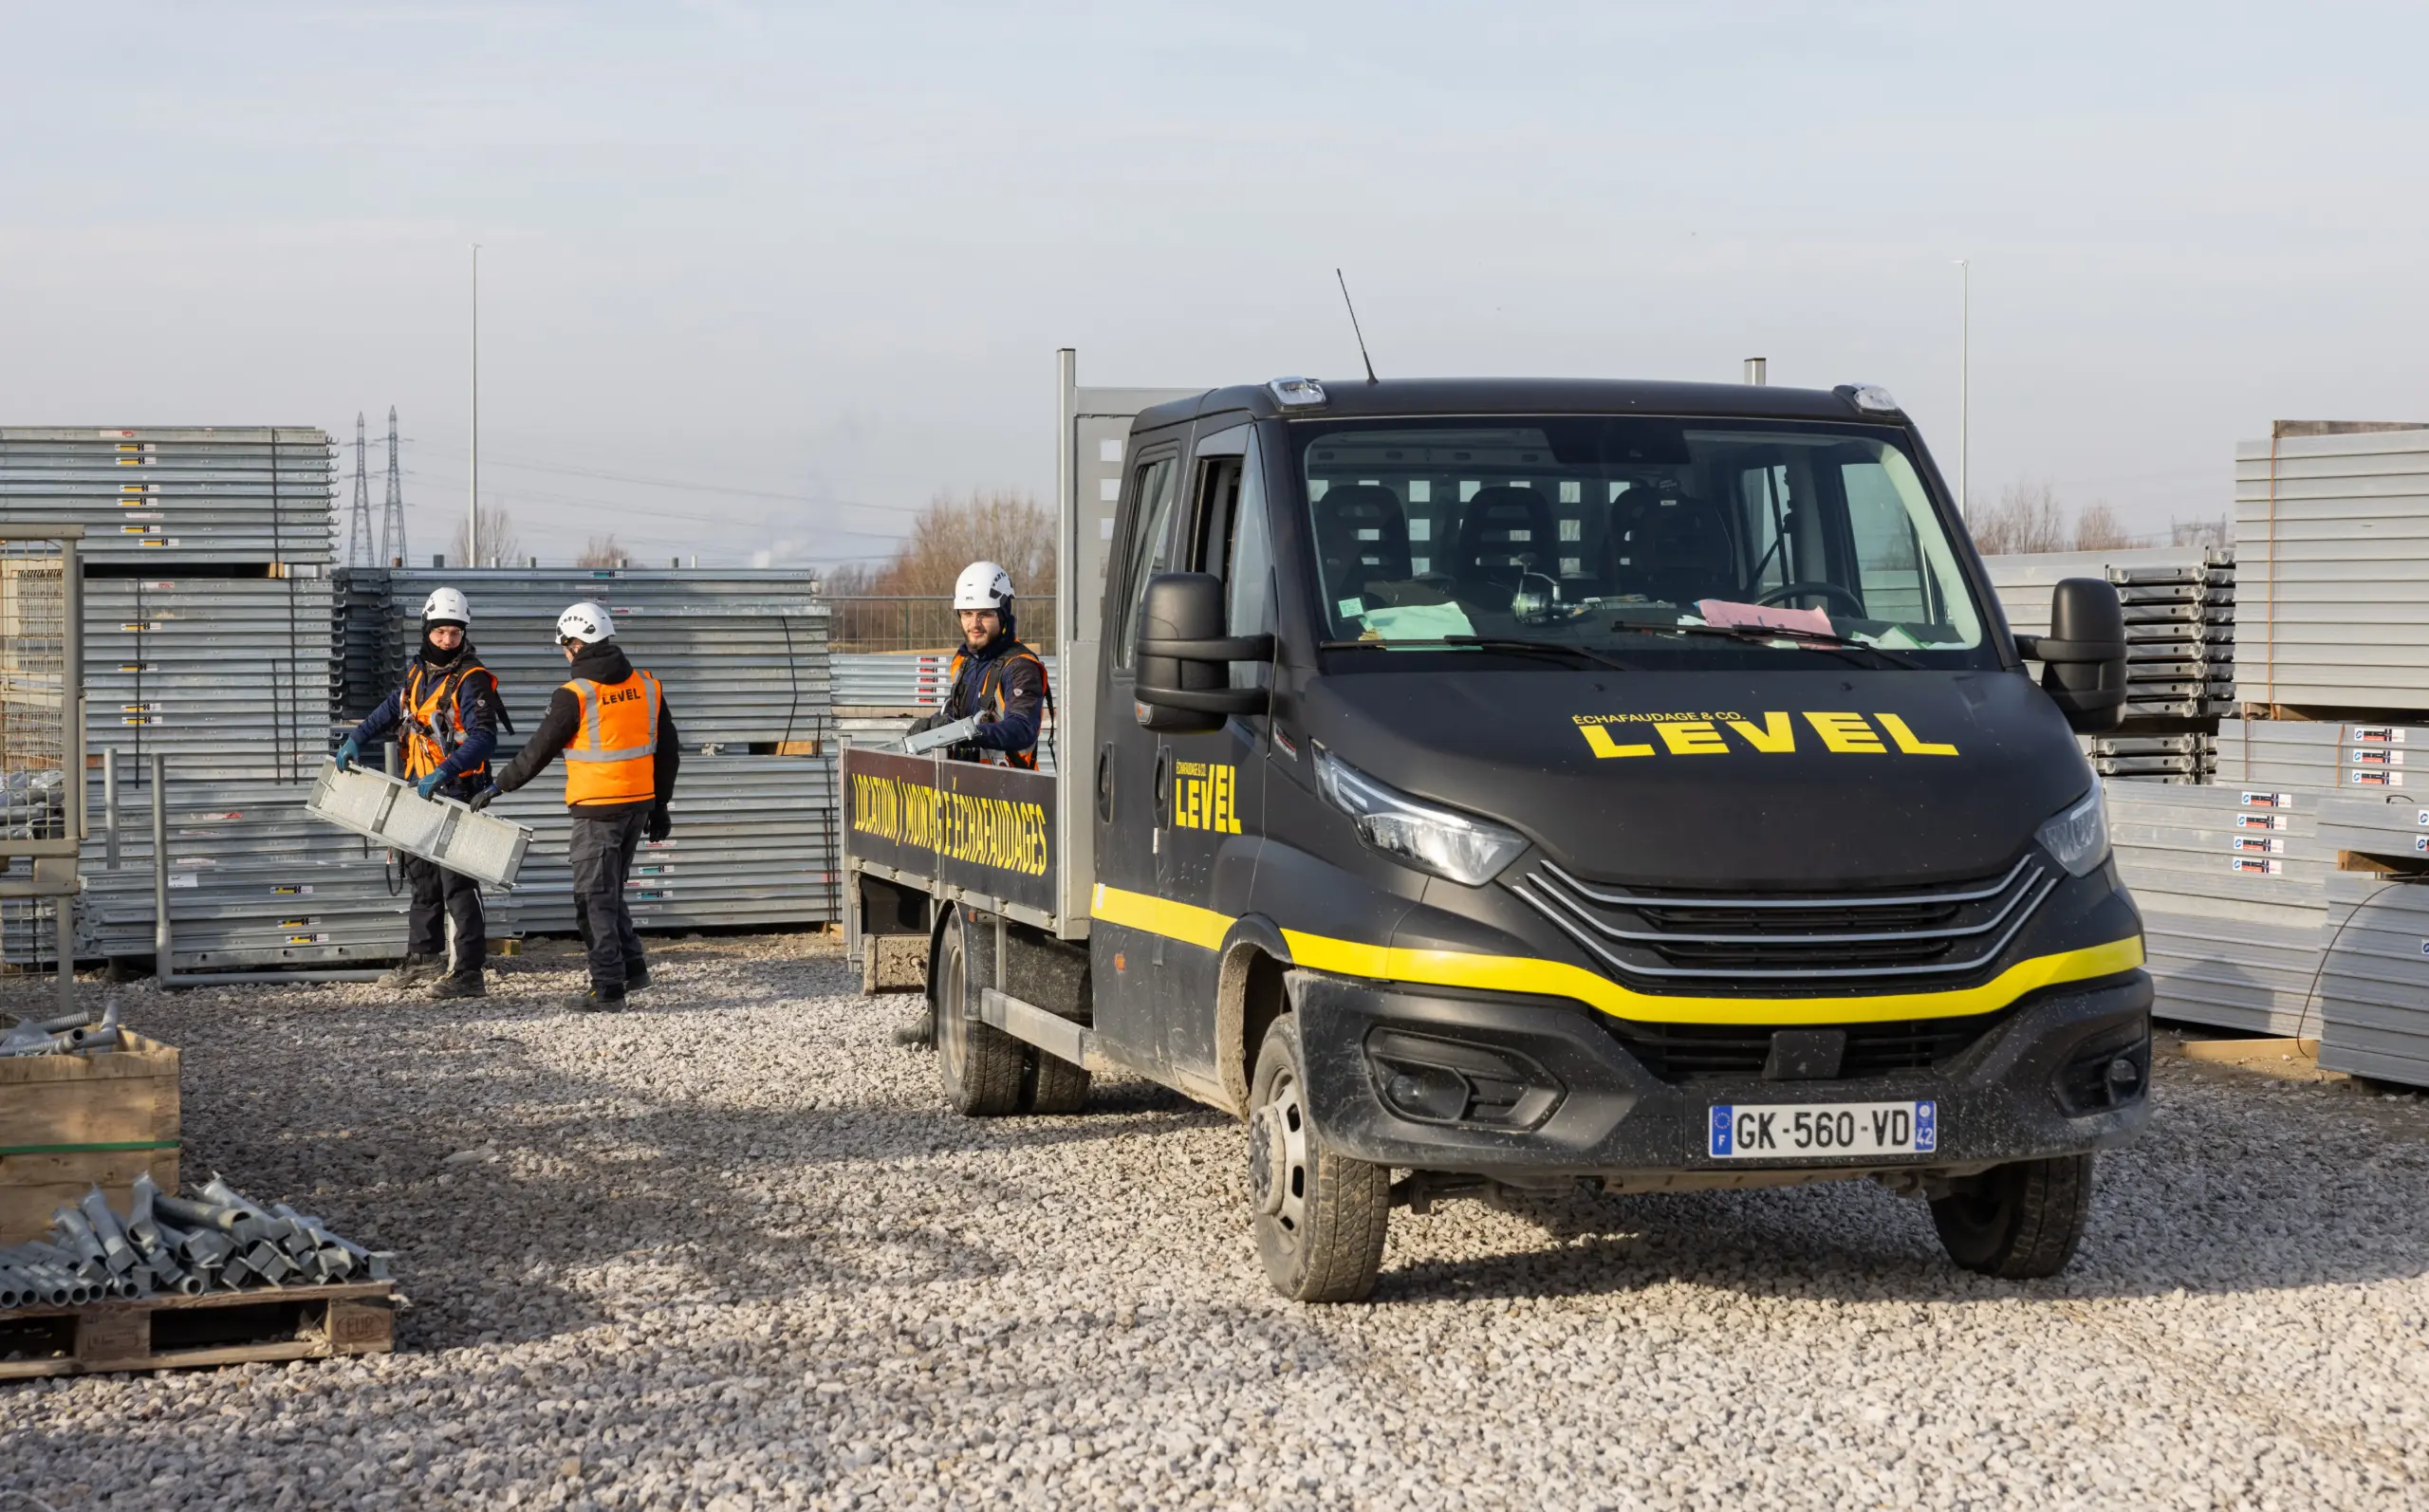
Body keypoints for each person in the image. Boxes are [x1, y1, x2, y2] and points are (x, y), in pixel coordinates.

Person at [473, 601, 679, 1012]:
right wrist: (661, 805)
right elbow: (669, 751)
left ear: (573, 644)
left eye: (565, 647)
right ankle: (633, 968)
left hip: (597, 811)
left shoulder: (574, 695)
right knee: (611, 890)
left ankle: (607, 989)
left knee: (592, 899)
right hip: (638, 806)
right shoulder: (648, 685)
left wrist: (499, 785)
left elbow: (538, 751)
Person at [336, 586, 505, 1000]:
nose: (448, 640)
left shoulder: (471, 679)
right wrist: (357, 738)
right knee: (422, 878)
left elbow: (484, 738)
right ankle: (424, 956)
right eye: (441, 632)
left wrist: (446, 769)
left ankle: (468, 972)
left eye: (455, 633)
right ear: (427, 631)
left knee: (457, 884)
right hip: (421, 788)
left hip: (457, 790)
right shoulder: (419, 672)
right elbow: (392, 709)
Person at [903, 561, 1048, 768]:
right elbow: (957, 713)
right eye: (967, 614)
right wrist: (931, 726)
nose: (974, 624)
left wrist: (965, 733)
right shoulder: (965, 662)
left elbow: (1022, 728)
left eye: (985, 614)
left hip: (1011, 793)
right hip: (965, 789)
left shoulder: (1020, 667)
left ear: (1003, 613)